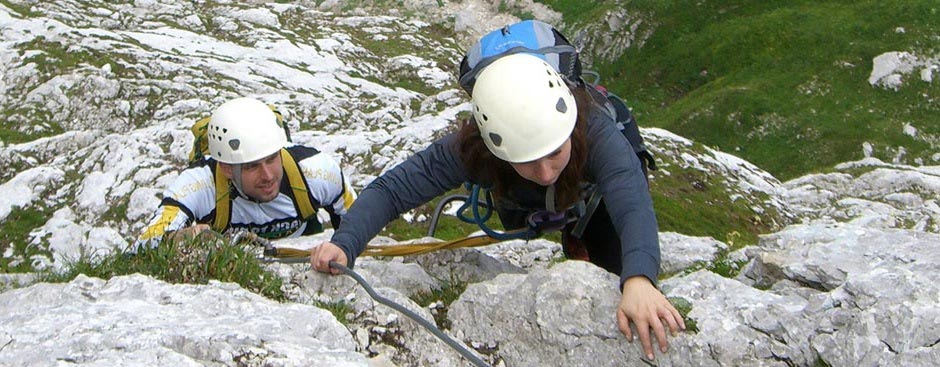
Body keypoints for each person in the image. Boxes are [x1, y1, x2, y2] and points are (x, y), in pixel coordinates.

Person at [311, 53, 683, 359]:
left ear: (569, 127)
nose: (544, 171)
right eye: (526, 159)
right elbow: (394, 190)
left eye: (553, 152)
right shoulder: (474, 146)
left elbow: (631, 199)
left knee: (611, 259)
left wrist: (639, 278)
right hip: (521, 203)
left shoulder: (597, 132)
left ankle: (577, 238)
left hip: (589, 197)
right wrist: (346, 242)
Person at [134, 97, 356, 249]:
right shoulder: (199, 183)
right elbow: (144, 244)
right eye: (252, 166)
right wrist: (184, 237)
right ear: (226, 168)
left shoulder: (316, 171)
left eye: (272, 159)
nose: (268, 175)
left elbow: (361, 224)